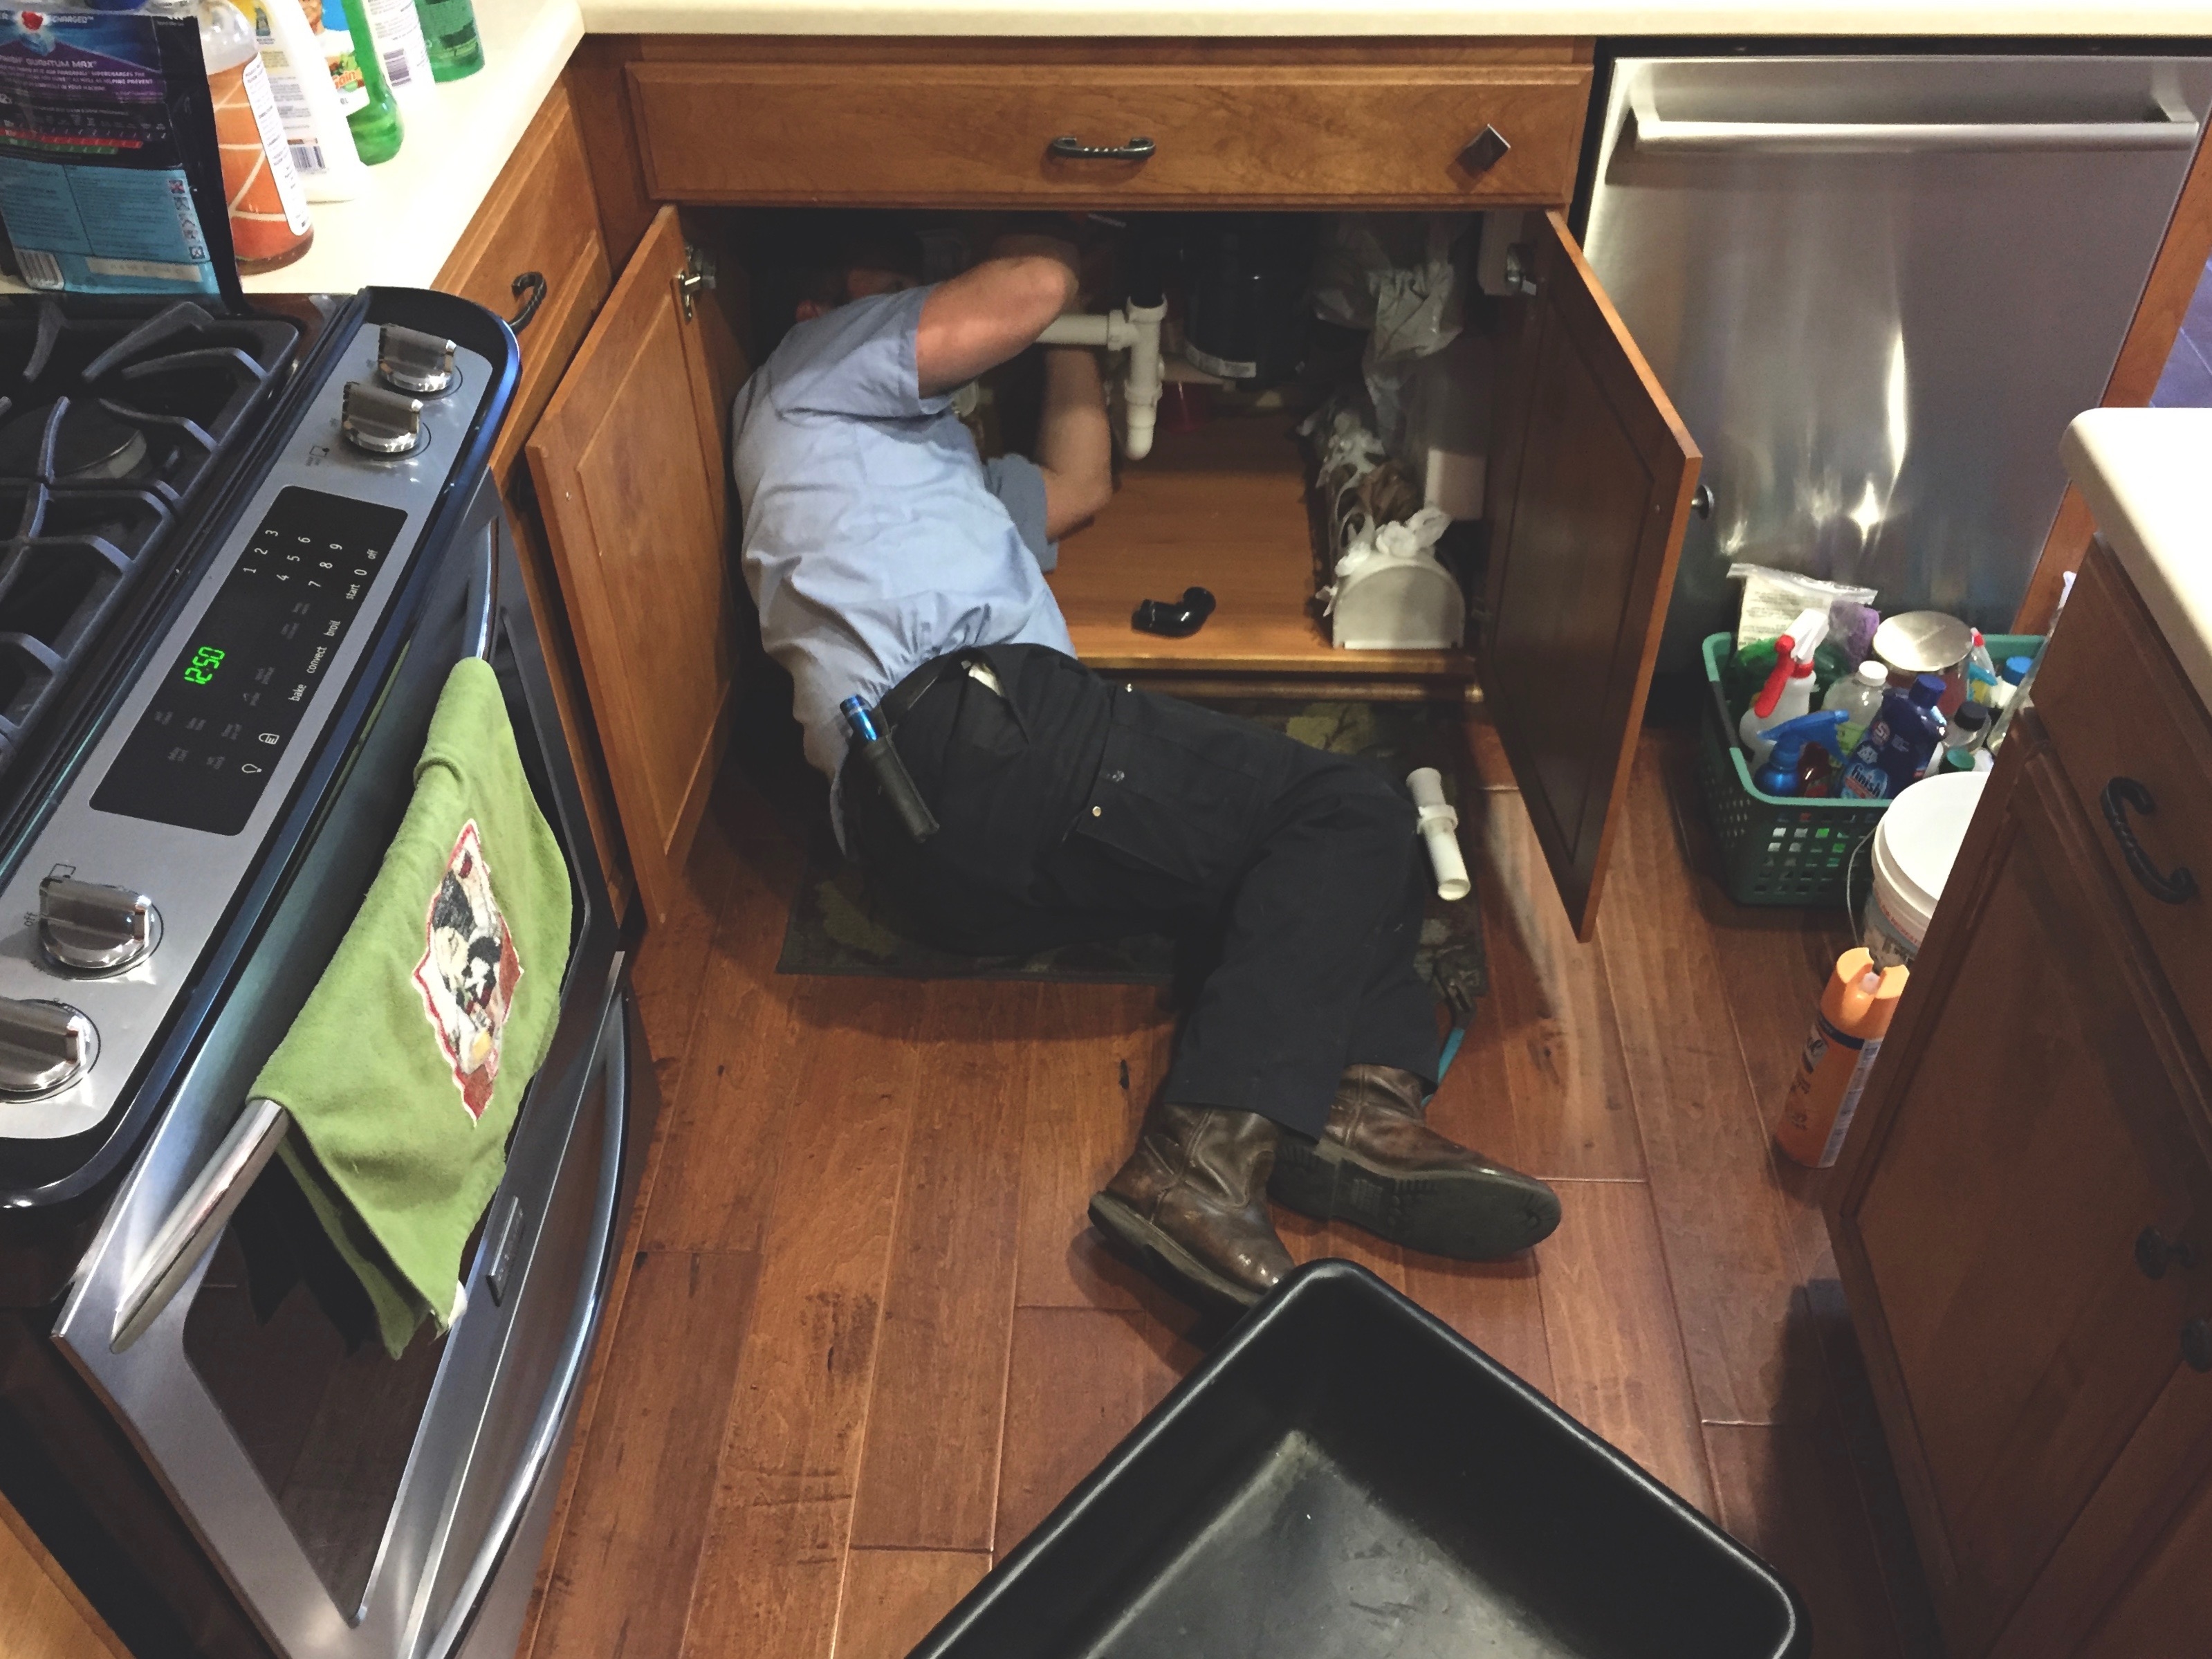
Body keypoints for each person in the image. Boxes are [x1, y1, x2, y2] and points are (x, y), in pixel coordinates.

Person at [731, 221, 1560, 1311]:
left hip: (935, 852)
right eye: (896, 288)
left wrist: (1075, 334)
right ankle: (1193, 1164)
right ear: (822, 308)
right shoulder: (809, 368)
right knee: (1348, 811)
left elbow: (1077, 484)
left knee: (1301, 875)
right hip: (973, 728)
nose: (920, 302)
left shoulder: (916, 466)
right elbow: (1022, 285)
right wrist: (1073, 241)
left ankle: (1349, 1109)